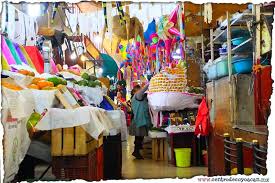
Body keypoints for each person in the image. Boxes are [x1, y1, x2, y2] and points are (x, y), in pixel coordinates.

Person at [129, 84, 151, 159]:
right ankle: (136, 152)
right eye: (139, 90)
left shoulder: (138, 97)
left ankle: (137, 151)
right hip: (139, 120)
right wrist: (149, 83)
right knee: (139, 137)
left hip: (140, 120)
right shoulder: (137, 96)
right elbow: (143, 90)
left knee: (139, 137)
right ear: (136, 91)